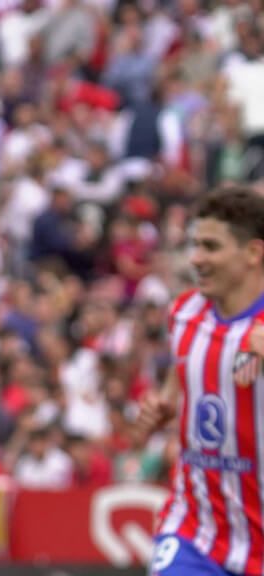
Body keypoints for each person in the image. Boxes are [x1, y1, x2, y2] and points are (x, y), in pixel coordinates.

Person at [136, 187, 264, 576]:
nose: (196, 259)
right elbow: (178, 388)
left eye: (210, 247)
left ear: (253, 253)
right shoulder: (184, 313)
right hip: (196, 531)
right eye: (194, 245)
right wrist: (161, 405)